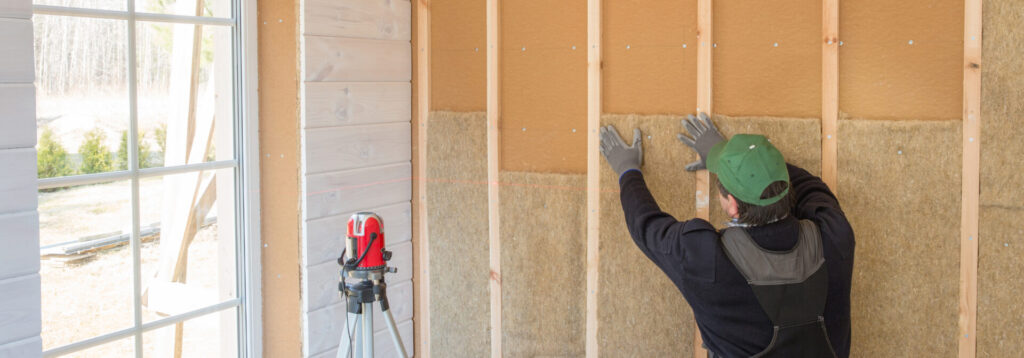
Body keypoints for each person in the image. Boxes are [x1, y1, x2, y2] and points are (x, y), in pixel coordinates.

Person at [598, 113, 855, 358]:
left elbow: (647, 227)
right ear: (786, 187)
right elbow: (811, 187)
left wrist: (627, 169)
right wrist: (735, 163)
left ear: (732, 205)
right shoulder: (835, 236)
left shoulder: (706, 263)